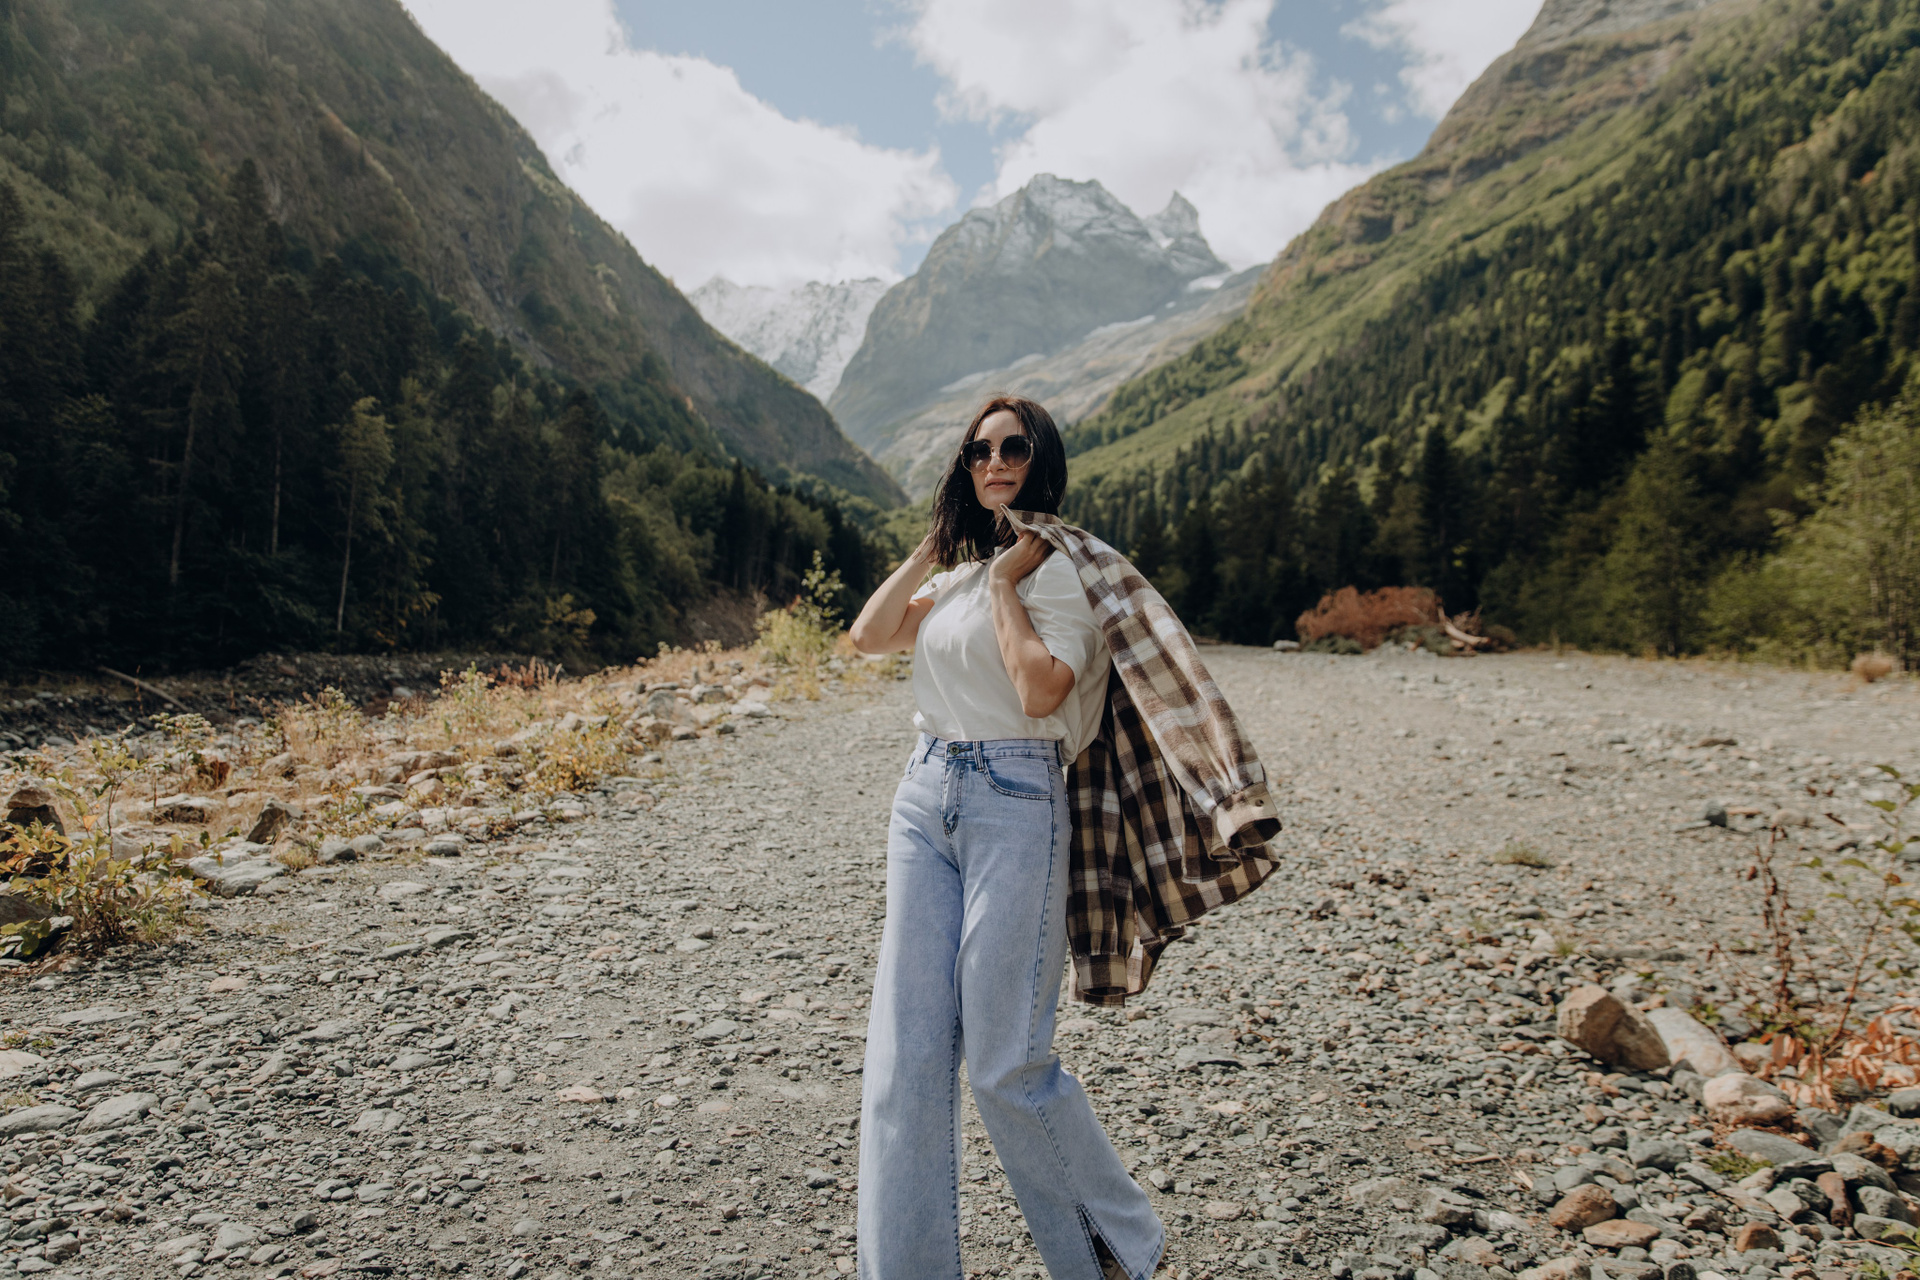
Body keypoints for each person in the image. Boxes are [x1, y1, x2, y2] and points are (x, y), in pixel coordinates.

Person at [847, 395, 1163, 1280]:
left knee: (1004, 1062)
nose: (994, 462)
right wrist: (939, 543)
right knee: (905, 1058)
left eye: (1012, 448)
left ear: (1041, 460)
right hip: (924, 795)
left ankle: (1114, 1254)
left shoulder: (1061, 571)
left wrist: (1001, 588)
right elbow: (868, 635)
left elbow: (1038, 692)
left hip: (1016, 797)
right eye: (977, 451)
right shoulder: (962, 573)